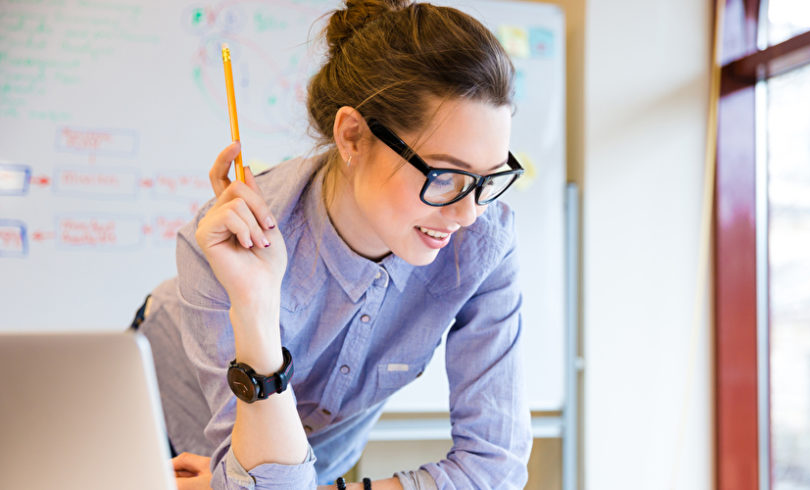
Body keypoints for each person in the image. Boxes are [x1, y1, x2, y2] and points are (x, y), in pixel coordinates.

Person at [135, 1, 531, 488]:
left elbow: (495, 470)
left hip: (321, 474)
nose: (468, 212)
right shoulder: (226, 241)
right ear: (352, 135)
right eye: (445, 176)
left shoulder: (484, 244)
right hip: (166, 440)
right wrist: (257, 306)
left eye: (489, 179)